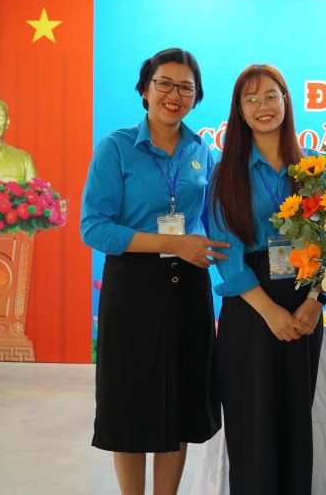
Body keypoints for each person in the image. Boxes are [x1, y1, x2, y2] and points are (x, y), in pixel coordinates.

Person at [80, 48, 229, 495]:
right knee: (130, 404)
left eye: (186, 87)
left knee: (178, 405)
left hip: (189, 290)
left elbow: (218, 217)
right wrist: (173, 243)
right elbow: (94, 227)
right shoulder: (117, 147)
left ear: (196, 97)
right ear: (145, 89)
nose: (174, 94)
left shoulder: (202, 151)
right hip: (133, 289)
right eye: (164, 83)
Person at [209, 64, 324, 495]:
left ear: (286, 101)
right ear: (238, 111)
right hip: (251, 308)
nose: (262, 106)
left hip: (304, 304)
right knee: (252, 429)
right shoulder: (227, 174)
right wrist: (272, 312)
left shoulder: (314, 170)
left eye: (271, 95)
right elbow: (226, 254)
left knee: (296, 425)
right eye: (250, 98)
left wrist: (315, 302)